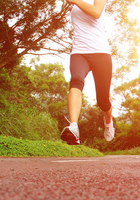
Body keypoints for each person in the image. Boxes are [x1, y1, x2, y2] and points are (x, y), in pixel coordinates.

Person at [61, 0, 115, 145]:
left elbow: (96, 13)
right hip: (79, 52)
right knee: (76, 81)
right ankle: (73, 127)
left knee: (102, 101)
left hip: (101, 53)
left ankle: (108, 122)